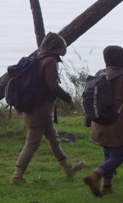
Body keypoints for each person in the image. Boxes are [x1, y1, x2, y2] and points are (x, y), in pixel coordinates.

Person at [10, 32, 86, 185]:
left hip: (36, 107)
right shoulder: (50, 60)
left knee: (53, 138)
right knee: (32, 143)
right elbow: (51, 85)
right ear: (57, 47)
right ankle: (17, 176)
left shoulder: (38, 57)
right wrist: (68, 98)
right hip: (40, 109)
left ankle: (68, 167)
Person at [83, 45, 123, 197]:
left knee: (108, 154)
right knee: (117, 157)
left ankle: (107, 186)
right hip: (116, 124)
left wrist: (88, 122)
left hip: (98, 122)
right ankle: (95, 175)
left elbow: (89, 100)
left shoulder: (99, 73)